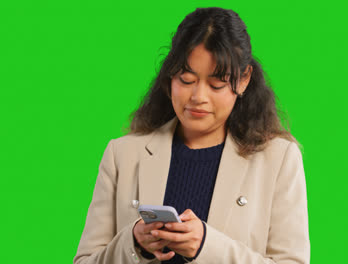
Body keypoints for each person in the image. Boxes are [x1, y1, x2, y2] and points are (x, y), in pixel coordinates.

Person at [73, 7, 310, 264]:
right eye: (186, 80)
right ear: (169, 76)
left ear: (243, 81)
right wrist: (134, 244)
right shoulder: (122, 155)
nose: (198, 97)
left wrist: (206, 246)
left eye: (217, 84)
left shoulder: (279, 158)